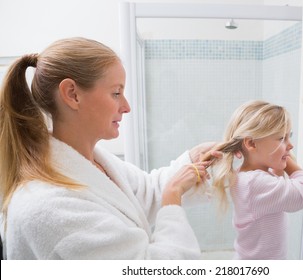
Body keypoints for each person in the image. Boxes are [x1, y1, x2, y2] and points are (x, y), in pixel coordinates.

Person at [0, 37, 217, 260]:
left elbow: (148, 191)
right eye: (116, 93)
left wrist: (194, 158)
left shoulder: (96, 163)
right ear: (72, 94)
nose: (126, 107)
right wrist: (172, 200)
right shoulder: (49, 207)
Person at [209, 100, 303, 259]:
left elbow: (276, 193)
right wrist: (288, 162)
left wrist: (279, 159)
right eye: (282, 138)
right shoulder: (255, 183)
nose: (290, 145)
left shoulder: (246, 177)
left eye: (290, 136)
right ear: (252, 143)